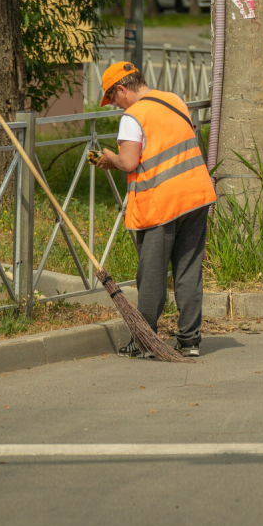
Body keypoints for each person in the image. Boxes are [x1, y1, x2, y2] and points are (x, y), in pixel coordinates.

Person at [96, 61, 216, 358]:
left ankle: (145, 340)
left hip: (162, 203)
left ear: (122, 89)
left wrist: (109, 158)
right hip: (196, 196)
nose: (112, 104)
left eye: (112, 97)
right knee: (188, 271)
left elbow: (128, 162)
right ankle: (190, 341)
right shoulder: (174, 99)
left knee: (152, 274)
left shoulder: (132, 115)